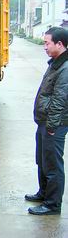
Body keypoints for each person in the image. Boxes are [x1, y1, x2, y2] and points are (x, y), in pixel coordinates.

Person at [25, 27, 68, 215]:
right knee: (42, 160)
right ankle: (43, 193)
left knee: (52, 165)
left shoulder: (65, 68)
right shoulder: (56, 63)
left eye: (47, 43)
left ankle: (52, 204)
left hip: (54, 125)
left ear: (60, 44)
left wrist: (51, 127)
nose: (45, 47)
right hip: (46, 122)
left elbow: (60, 100)